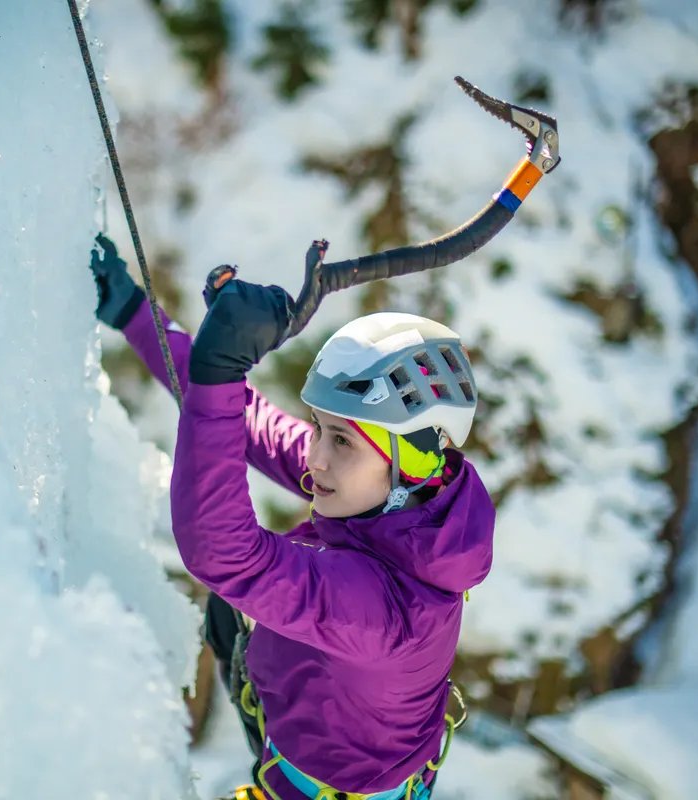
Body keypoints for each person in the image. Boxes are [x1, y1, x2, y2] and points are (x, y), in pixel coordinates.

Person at [89, 234, 495, 800]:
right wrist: (139, 315)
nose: (315, 456)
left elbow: (224, 553)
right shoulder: (400, 505)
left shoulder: (389, 612)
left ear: (416, 463)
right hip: (301, 748)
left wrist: (220, 369)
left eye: (341, 441)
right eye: (319, 427)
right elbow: (246, 419)